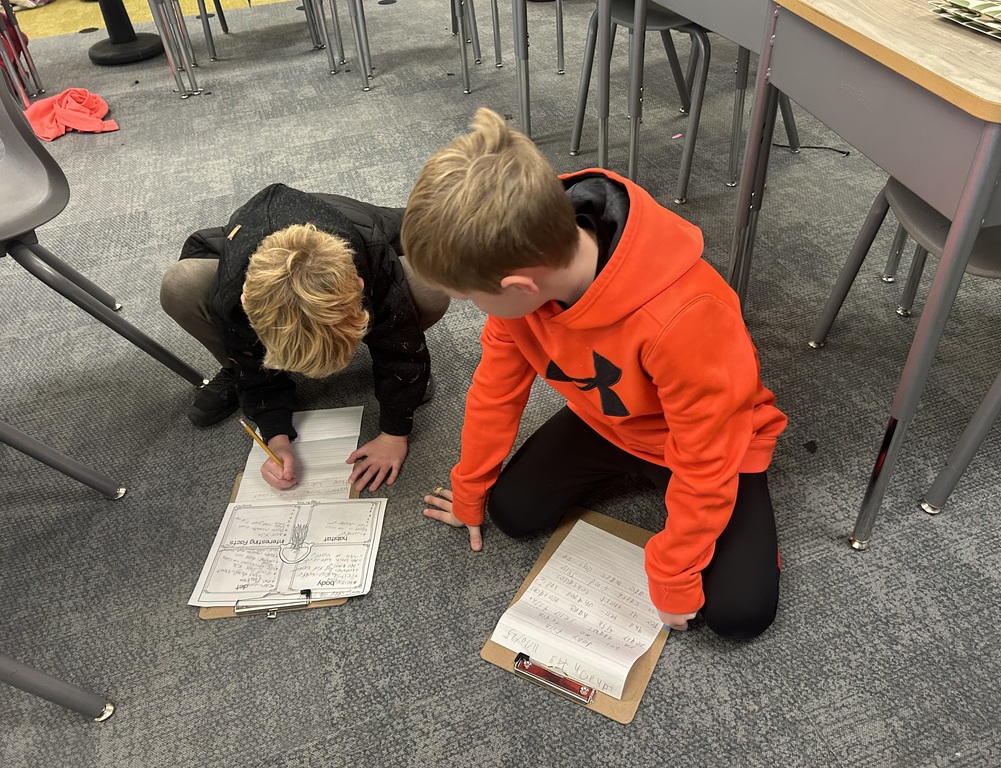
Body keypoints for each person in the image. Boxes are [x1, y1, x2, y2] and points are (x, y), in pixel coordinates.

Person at [401, 108, 787, 639]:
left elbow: (706, 455)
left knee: (737, 615)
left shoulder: (686, 316)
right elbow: (494, 391)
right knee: (511, 513)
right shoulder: (526, 275)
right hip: (609, 420)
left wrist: (673, 571)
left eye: (469, 297)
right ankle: (634, 477)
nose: (468, 306)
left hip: (708, 442)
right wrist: (470, 485)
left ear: (519, 285)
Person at [160, 183, 449, 492]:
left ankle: (404, 379)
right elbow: (249, 355)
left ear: (361, 287)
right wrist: (276, 435)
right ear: (246, 302)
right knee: (182, 285)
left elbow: (400, 348)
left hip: (359, 232)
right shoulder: (234, 289)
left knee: (429, 287)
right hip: (246, 251)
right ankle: (233, 370)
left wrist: (394, 434)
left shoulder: (372, 252)